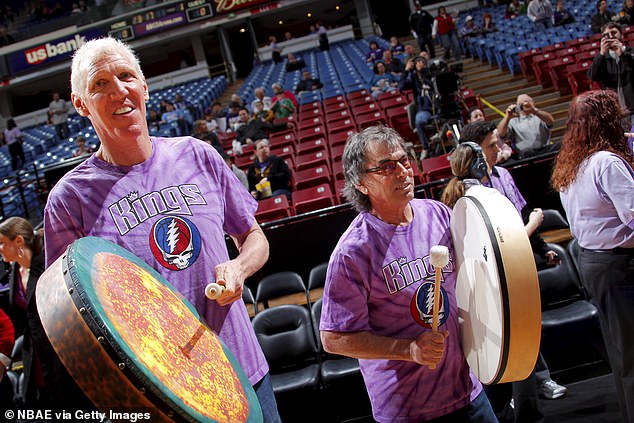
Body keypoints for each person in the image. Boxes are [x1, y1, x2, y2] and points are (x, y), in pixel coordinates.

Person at [42, 37, 281, 422]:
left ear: (145, 87)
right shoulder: (69, 199)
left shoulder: (198, 154)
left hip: (243, 373)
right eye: (99, 84)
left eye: (126, 76)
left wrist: (238, 269)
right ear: (80, 103)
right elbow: (70, 320)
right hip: (159, 394)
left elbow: (254, 237)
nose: (118, 89)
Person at [318, 125, 496, 423]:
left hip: (467, 390)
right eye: (387, 167)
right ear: (361, 183)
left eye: (404, 161)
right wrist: (408, 349)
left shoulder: (438, 213)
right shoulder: (353, 252)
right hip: (408, 409)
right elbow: (333, 338)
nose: (403, 171)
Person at [551, 90, 633, 423]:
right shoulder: (607, 162)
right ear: (609, 120)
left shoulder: (574, 162)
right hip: (621, 266)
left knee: (623, 354)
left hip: (596, 263)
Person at [0, 217, 92, 411]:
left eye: (2, 243)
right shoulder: (14, 271)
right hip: (36, 355)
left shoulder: (47, 264)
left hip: (61, 349)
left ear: (18, 241)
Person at [588, 22, 634, 126]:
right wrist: (601, 54)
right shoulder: (602, 58)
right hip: (616, 113)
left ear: (621, 35)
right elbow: (592, 76)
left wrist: (622, 54)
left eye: (614, 33)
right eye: (606, 35)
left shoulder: (631, 52)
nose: (610, 37)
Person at [497, 93, 556, 159]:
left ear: (533, 103)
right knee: (527, 153)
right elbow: (500, 134)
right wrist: (507, 117)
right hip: (526, 153)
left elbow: (550, 121)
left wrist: (534, 110)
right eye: (521, 104)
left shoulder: (540, 116)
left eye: (527, 102)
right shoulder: (513, 121)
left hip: (545, 149)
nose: (525, 105)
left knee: (558, 146)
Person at [399, 56, 435, 159]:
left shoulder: (432, 74)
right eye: (417, 62)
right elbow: (401, 86)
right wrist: (406, 70)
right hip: (425, 109)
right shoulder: (413, 79)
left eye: (422, 61)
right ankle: (425, 147)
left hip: (439, 107)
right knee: (419, 121)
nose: (419, 63)